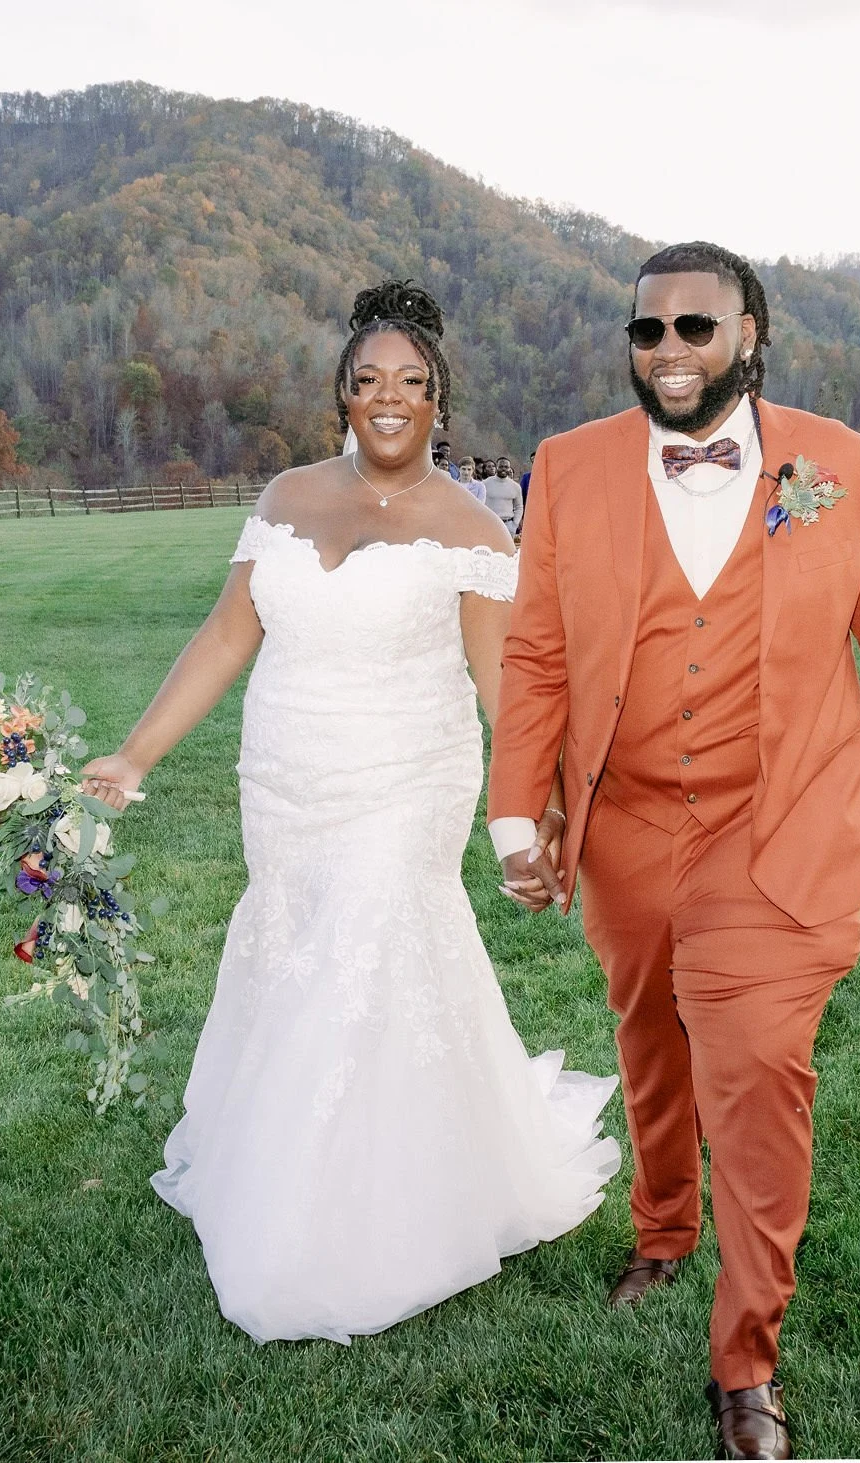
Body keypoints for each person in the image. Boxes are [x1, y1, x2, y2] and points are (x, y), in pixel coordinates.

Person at [490, 241, 860, 1462]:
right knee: (648, 1031)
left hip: (772, 824)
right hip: (621, 823)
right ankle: (663, 1225)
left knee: (757, 1068)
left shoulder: (834, 462)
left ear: (748, 335)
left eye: (693, 327)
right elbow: (536, 651)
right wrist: (514, 812)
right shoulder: (568, 466)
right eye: (646, 329)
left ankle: (746, 1358)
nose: (667, 350)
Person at [78, 279, 619, 1347]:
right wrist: (133, 755)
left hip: (404, 782)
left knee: (364, 953)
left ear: (437, 402)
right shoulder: (285, 496)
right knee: (294, 950)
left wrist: (539, 812)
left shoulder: (469, 527)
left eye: (410, 383)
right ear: (341, 393)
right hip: (284, 779)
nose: (389, 398)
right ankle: (282, 1160)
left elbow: (503, 687)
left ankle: (349, 1227)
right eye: (369, 380)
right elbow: (226, 635)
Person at [484, 455, 525, 536]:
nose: (503, 469)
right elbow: (480, 504)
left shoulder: (515, 486)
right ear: (496, 467)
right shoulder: (485, 484)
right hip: (490, 523)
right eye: (501, 466)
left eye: (506, 467)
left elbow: (519, 507)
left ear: (509, 468)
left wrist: (515, 524)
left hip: (508, 525)